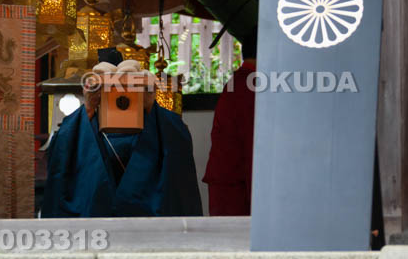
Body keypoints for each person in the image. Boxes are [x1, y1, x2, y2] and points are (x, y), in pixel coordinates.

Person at [41, 49, 202, 218]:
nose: (119, 92)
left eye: (127, 85)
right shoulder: (82, 124)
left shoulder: (156, 122)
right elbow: (61, 163)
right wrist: (88, 108)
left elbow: (178, 157)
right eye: (110, 86)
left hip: (145, 224)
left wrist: (150, 106)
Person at [202, 45, 256, 216]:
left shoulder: (242, 81)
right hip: (237, 186)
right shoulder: (250, 84)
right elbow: (251, 143)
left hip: (229, 181)